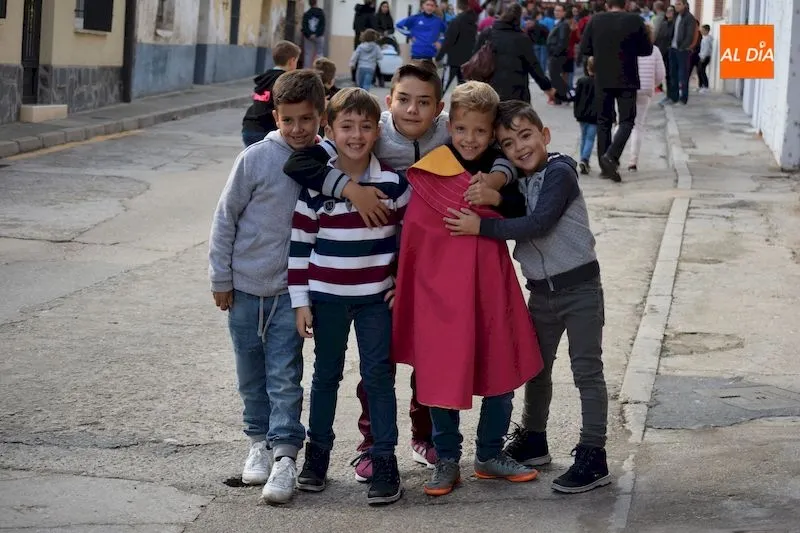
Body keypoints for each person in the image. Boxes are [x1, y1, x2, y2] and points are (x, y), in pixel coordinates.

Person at [283, 60, 514, 483]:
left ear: (438, 110)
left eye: (423, 103)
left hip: (426, 260)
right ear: (389, 104)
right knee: (380, 365)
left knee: (430, 357)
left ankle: (424, 437)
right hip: (379, 259)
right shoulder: (370, 130)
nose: (412, 110)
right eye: (404, 100)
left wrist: (499, 179)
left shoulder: (451, 132)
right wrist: (351, 189)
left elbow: (494, 146)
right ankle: (371, 445)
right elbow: (302, 164)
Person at [444, 99, 612, 495]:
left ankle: (593, 454)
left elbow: (538, 223)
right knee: (536, 369)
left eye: (526, 135)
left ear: (544, 135)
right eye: (508, 142)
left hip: (580, 288)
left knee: (587, 370)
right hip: (541, 292)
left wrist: (478, 228)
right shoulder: (517, 180)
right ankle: (534, 438)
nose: (519, 147)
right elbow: (506, 198)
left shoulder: (560, 172)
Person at [396, 81, 544, 497]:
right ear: (450, 125)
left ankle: (489, 454)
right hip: (439, 293)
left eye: (480, 131)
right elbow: (415, 238)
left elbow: (520, 210)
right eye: (461, 129)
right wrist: (408, 288)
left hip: (490, 287)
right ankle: (446, 459)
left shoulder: (498, 173)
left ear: (491, 131)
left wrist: (495, 196)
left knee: (501, 364)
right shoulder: (431, 169)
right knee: (441, 371)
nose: (470, 139)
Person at [209, 70, 326, 504]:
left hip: (291, 295)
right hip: (242, 290)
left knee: (285, 374)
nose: (297, 129)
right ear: (275, 115)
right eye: (288, 119)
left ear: (320, 116)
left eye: (307, 120)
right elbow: (226, 220)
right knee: (250, 374)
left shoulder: (325, 161)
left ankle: (285, 455)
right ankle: (257, 442)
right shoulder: (254, 159)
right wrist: (221, 278)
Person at [290, 88, 407, 506]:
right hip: (327, 299)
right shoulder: (316, 186)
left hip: (376, 299)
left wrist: (400, 278)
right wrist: (300, 301)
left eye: (365, 126)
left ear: (378, 131)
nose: (356, 134)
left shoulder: (394, 183)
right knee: (325, 377)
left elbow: (410, 239)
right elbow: (300, 246)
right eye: (346, 126)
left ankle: (384, 461)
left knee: (379, 377)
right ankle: (316, 457)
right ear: (329, 130)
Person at [580, 0, 652, 182]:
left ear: (607, 5)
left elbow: (585, 48)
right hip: (627, 76)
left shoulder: (595, 20)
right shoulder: (635, 20)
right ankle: (611, 156)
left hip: (602, 77)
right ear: (626, 4)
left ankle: (605, 166)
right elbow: (646, 49)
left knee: (604, 120)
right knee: (627, 120)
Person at [475, 3, 555, 103]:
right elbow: (533, 66)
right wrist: (547, 87)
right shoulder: (522, 39)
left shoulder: (487, 33)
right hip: (517, 91)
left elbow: (475, 57)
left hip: (490, 89)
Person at [240, 41, 301, 147]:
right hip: (267, 130)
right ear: (292, 61)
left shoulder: (264, 78)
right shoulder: (286, 81)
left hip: (248, 128)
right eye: (296, 61)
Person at [628, 24, 665, 172]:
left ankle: (614, 156)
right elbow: (661, 74)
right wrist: (651, 84)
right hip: (644, 91)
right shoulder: (654, 50)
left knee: (621, 123)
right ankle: (633, 160)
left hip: (627, 89)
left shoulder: (629, 47)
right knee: (638, 125)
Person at [436, 0, 479, 93]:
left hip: (452, 60)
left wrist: (439, 56)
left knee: (443, 89)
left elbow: (449, 41)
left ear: (458, 6)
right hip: (466, 60)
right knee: (463, 90)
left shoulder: (456, 21)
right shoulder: (473, 23)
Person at [665, 0, 698, 106]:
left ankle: (683, 98)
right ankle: (674, 98)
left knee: (683, 75)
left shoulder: (689, 18)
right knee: (672, 74)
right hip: (673, 49)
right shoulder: (676, 17)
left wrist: (683, 47)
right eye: (675, 5)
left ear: (684, 5)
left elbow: (689, 35)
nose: (676, 6)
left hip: (682, 50)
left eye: (679, 4)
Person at [573, 56, 598, 175]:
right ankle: (585, 159)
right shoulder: (599, 83)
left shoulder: (581, 81)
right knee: (590, 138)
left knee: (583, 137)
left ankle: (583, 158)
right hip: (594, 116)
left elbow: (576, 98)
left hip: (582, 115)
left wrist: (576, 112)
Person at [546, 4, 571, 105]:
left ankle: (565, 94)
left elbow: (562, 41)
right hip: (555, 54)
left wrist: (555, 53)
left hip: (558, 55)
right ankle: (561, 96)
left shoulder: (563, 25)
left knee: (555, 76)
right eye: (556, 10)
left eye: (559, 11)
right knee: (555, 76)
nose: (557, 12)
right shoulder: (558, 23)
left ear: (564, 12)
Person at [655, 5, 676, 102]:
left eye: (671, 11)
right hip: (662, 51)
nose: (669, 12)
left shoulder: (676, 24)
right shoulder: (663, 24)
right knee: (666, 75)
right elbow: (659, 37)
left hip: (671, 52)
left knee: (672, 75)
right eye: (667, 10)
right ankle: (669, 96)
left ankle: (673, 96)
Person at [301, 0, 326, 68]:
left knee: (307, 54)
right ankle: (320, 70)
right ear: (316, 3)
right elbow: (322, 25)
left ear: (309, 4)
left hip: (308, 37)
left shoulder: (306, 13)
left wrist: (309, 34)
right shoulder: (321, 13)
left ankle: (306, 71)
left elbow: (304, 26)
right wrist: (317, 34)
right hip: (319, 36)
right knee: (319, 54)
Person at [697, 24, 713, 94]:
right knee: (699, 71)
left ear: (707, 31)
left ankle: (705, 87)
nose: (701, 31)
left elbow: (706, 49)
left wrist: (702, 57)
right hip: (703, 56)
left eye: (703, 30)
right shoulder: (705, 38)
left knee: (702, 71)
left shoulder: (707, 39)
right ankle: (701, 86)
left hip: (705, 57)